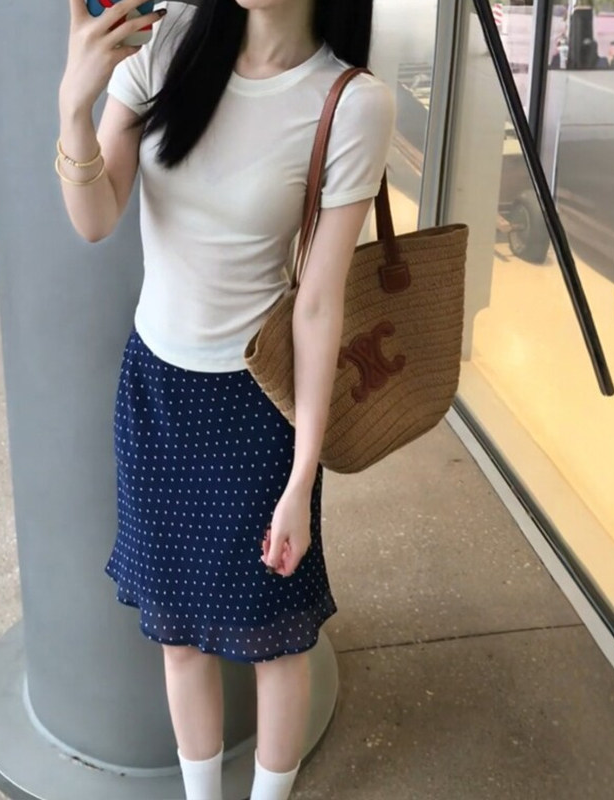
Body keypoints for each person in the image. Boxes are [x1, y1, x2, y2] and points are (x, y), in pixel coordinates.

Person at [56, 0, 394, 797]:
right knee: (179, 639)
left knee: (275, 640)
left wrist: (302, 477)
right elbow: (95, 218)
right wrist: (74, 106)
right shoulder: (168, 40)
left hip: (256, 406)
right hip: (157, 393)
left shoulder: (350, 102)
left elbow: (319, 307)